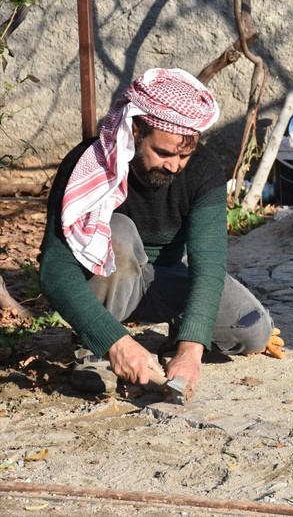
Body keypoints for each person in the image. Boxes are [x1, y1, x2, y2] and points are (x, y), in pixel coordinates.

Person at [38, 68, 276, 396]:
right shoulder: (85, 165)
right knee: (116, 231)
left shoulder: (203, 171)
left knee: (253, 329)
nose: (174, 165)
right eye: (163, 153)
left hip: (164, 279)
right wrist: (115, 342)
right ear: (135, 131)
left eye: (184, 154)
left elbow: (209, 268)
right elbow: (54, 270)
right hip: (112, 281)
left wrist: (191, 350)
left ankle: (179, 335)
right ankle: (94, 347)